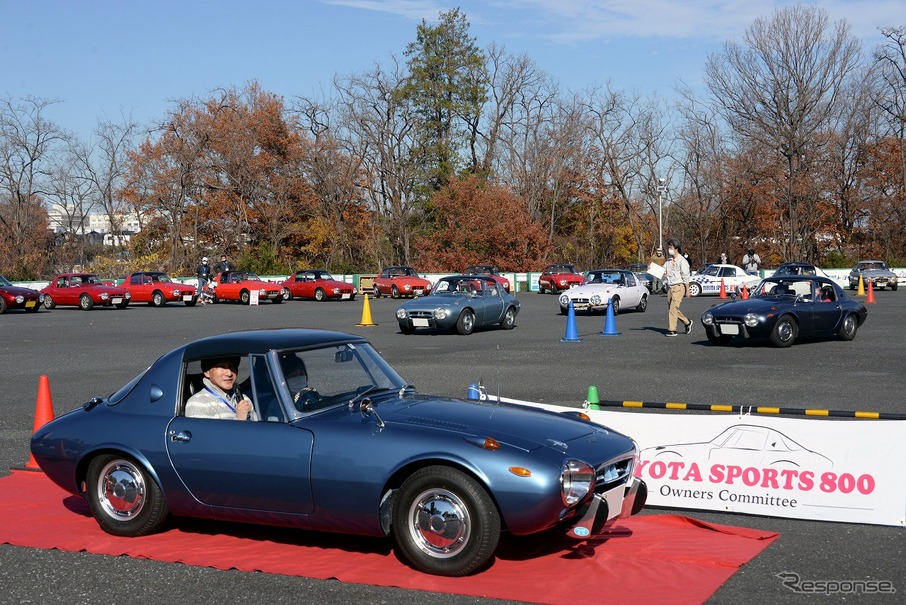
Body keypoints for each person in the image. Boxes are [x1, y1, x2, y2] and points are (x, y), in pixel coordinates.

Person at [186, 356, 256, 420]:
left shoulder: (244, 399)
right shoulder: (198, 402)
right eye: (222, 367)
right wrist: (239, 420)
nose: (229, 373)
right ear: (207, 372)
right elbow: (201, 433)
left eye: (232, 366)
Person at [663, 238, 692, 337]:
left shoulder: (682, 260)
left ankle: (672, 330)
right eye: (669, 247)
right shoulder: (669, 260)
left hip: (679, 286)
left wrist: (687, 290)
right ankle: (687, 322)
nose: (669, 249)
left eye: (671, 247)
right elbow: (663, 270)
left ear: (676, 249)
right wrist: (652, 269)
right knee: (672, 308)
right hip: (671, 287)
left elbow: (686, 275)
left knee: (673, 308)